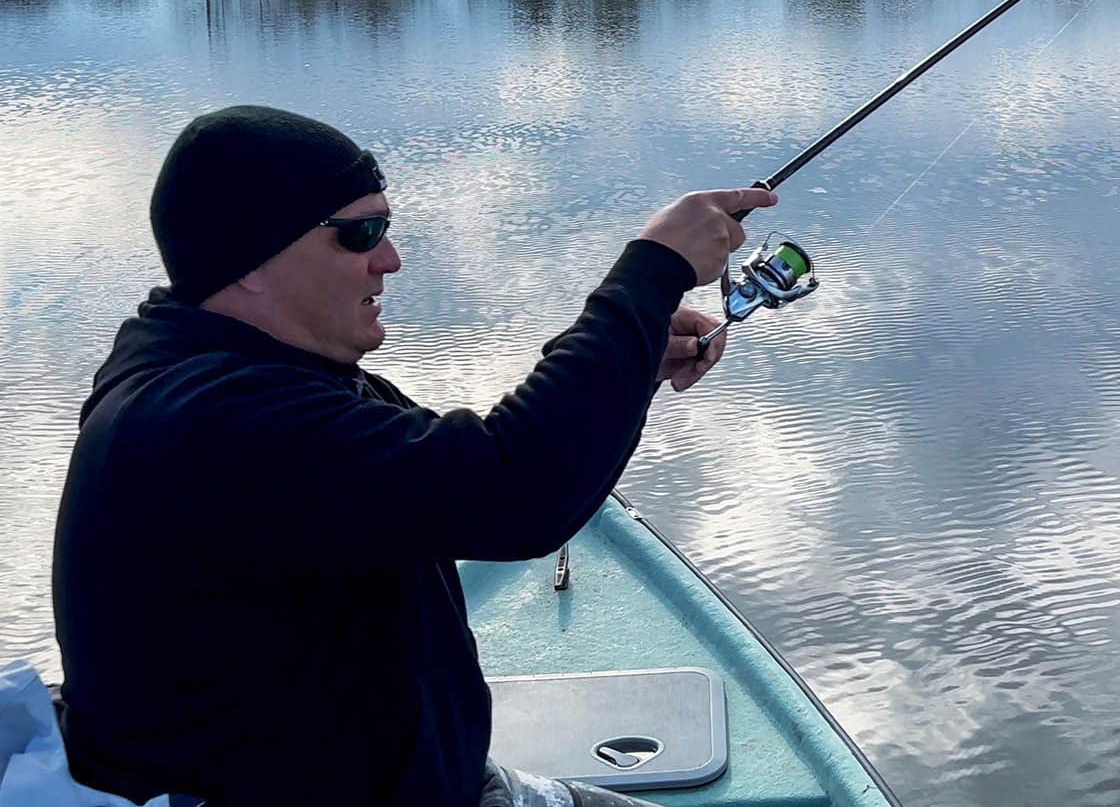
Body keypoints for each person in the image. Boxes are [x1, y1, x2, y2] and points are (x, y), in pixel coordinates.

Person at [50, 105, 775, 806]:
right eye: (360, 233)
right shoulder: (207, 423)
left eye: (386, 228)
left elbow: (463, 475)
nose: (389, 260)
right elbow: (515, 495)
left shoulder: (254, 372)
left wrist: (631, 359)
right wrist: (650, 274)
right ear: (249, 260)